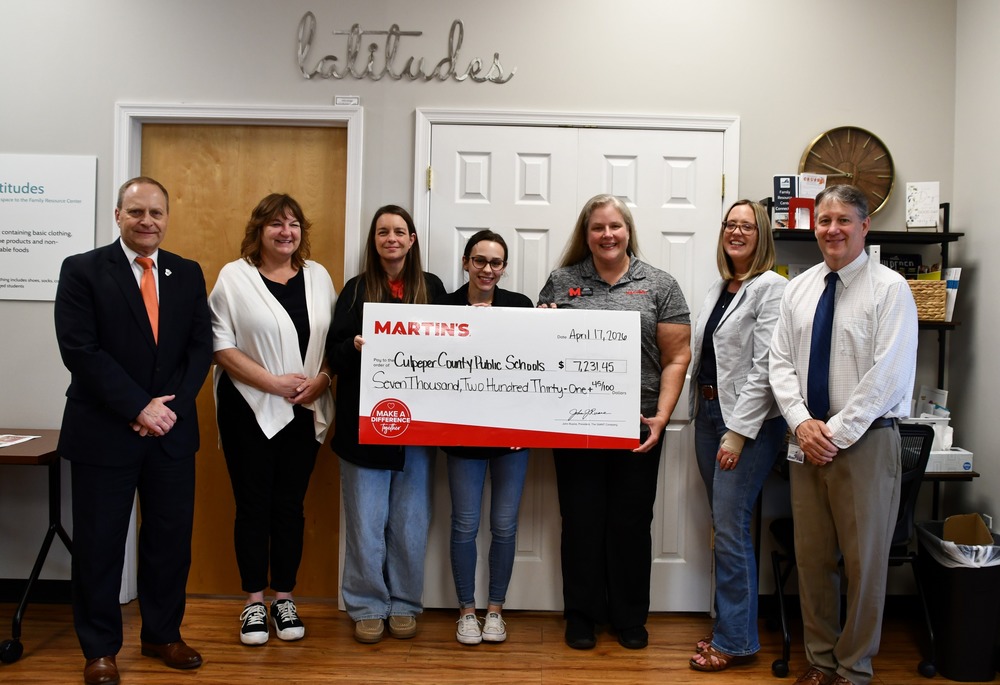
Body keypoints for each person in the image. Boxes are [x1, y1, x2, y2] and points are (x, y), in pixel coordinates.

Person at [54, 177, 213, 685]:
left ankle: (162, 635)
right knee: (100, 545)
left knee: (169, 541)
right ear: (118, 215)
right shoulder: (82, 270)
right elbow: (80, 351)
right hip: (105, 430)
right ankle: (99, 649)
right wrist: (138, 407)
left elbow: (199, 349)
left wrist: (168, 410)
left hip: (170, 434)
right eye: (137, 212)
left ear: (167, 218)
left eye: (157, 213)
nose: (148, 221)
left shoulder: (186, 273)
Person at [769, 185, 918, 685]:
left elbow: (888, 374)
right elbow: (781, 365)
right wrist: (800, 423)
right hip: (805, 441)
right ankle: (820, 660)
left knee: (864, 565)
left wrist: (831, 433)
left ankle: (853, 669)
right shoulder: (800, 288)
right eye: (824, 220)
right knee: (813, 560)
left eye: (843, 221)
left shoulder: (890, 289)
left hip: (865, 442)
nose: (832, 229)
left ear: (864, 226)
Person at [537, 194, 691, 651]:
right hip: (573, 421)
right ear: (586, 235)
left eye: (615, 226)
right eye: (597, 227)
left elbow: (677, 356)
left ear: (628, 232)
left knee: (629, 522)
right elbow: (540, 354)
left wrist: (662, 417)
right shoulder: (562, 282)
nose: (607, 235)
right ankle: (582, 615)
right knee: (580, 520)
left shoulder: (659, 285)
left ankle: (628, 616)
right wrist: (540, 325)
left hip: (638, 423)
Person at [208, 194, 336, 646]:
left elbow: (333, 341)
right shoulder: (234, 276)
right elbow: (221, 346)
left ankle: (284, 596)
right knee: (252, 505)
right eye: (276, 224)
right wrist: (273, 383)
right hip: (249, 408)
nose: (287, 232)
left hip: (305, 409)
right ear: (258, 230)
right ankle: (253, 603)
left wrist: (321, 379)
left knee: (289, 506)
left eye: (294, 223)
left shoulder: (318, 277)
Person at [327, 205, 446, 644]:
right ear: (374, 240)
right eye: (382, 231)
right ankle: (366, 605)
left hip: (417, 430)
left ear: (412, 239)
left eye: (399, 231)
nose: (391, 238)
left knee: (411, 521)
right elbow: (332, 354)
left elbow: (459, 345)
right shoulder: (357, 291)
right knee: (365, 521)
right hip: (365, 428)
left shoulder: (431, 288)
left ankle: (406, 603)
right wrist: (356, 346)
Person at [687, 200, 787, 672]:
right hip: (707, 413)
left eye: (747, 226)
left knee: (730, 530)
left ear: (761, 234)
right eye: (730, 224)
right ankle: (733, 624)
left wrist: (738, 433)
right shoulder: (721, 287)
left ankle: (735, 640)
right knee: (725, 527)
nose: (737, 232)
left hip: (746, 425)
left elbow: (766, 368)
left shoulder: (772, 288)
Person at [435, 230, 533, 646]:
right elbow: (431, 368)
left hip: (512, 436)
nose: (487, 269)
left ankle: (495, 610)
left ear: (504, 267)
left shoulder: (522, 307)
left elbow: (537, 364)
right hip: (463, 437)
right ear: (465, 262)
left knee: (505, 526)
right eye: (480, 261)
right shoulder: (444, 307)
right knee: (464, 525)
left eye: (495, 262)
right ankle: (466, 611)